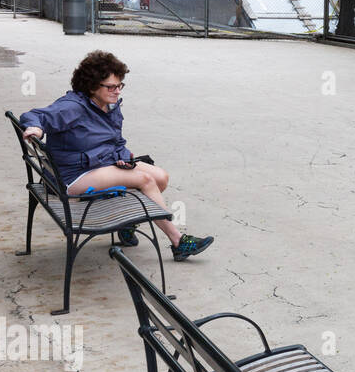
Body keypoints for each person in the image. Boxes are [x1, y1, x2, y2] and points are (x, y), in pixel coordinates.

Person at [18, 50, 214, 261]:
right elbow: (34, 116)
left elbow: (116, 140)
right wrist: (36, 129)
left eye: (120, 85)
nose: (117, 91)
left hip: (99, 164)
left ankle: (127, 225)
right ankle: (178, 241)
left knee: (161, 177)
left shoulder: (109, 105)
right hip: (70, 176)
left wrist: (122, 156)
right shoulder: (72, 107)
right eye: (111, 87)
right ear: (91, 85)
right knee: (144, 180)